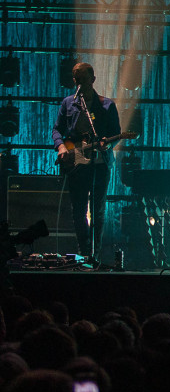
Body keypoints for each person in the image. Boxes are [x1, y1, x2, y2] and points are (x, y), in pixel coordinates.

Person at [52, 62, 121, 259]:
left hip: (100, 164)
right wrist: (62, 146)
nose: (79, 81)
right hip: (77, 164)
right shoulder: (68, 103)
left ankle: (95, 254)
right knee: (79, 210)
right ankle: (84, 251)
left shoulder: (107, 105)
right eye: (76, 77)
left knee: (98, 210)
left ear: (92, 79)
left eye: (82, 77)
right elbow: (57, 129)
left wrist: (107, 145)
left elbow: (115, 134)